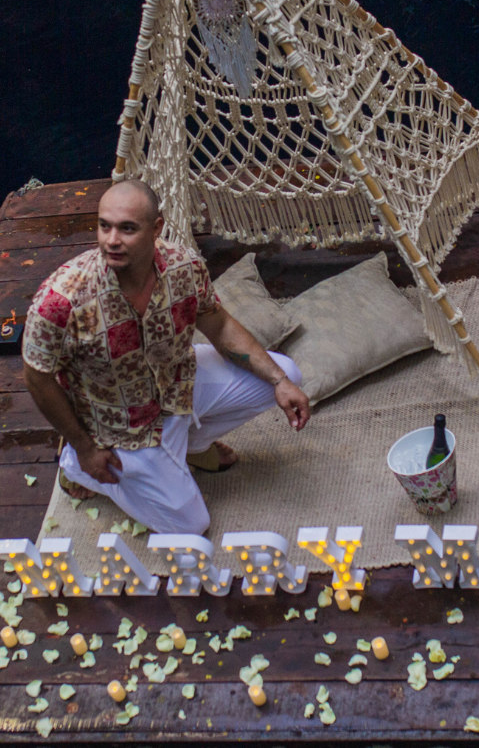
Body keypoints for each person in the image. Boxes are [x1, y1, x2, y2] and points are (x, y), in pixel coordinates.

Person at [21, 179, 310, 535]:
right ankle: (77, 469)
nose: (112, 240)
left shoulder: (184, 266)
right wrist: (84, 447)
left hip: (178, 385)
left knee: (286, 373)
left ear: (156, 229)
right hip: (120, 425)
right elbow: (37, 377)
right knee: (192, 526)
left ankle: (189, 445)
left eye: (127, 229)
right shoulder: (60, 300)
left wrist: (278, 382)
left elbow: (217, 323)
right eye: (104, 226)